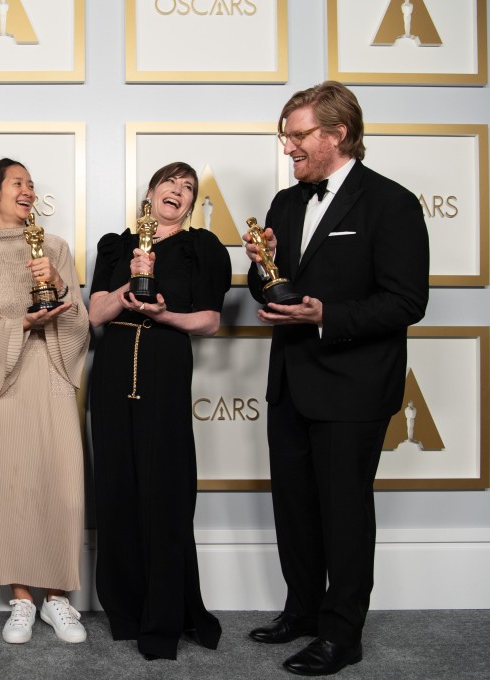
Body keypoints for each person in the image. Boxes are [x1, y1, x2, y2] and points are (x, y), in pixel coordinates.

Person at [242, 81, 429, 676]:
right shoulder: (283, 203)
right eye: (286, 136)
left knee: (343, 512)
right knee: (294, 508)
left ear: (336, 133)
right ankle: (301, 610)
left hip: (353, 386)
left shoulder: (391, 204)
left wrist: (329, 316)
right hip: (290, 382)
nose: (288, 147)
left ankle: (342, 634)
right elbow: (273, 288)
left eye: (297, 136)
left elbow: (406, 301)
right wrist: (260, 270)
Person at [88, 161, 230, 661]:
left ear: (191, 204)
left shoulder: (203, 248)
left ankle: (167, 613)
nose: (179, 190)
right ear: (150, 193)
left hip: (166, 367)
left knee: (165, 491)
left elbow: (211, 321)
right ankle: (125, 611)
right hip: (109, 374)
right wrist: (129, 291)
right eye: (170, 182)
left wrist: (164, 313)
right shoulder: (115, 244)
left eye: (188, 187)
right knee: (117, 487)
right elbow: (94, 312)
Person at [0, 158, 90, 645]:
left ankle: (58, 599)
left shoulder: (56, 248)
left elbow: (79, 322)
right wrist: (21, 327)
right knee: (9, 487)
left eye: (32, 184)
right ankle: (22, 600)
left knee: (59, 482)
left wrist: (55, 283)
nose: (28, 190)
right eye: (18, 183)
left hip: (52, 375)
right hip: (3, 383)